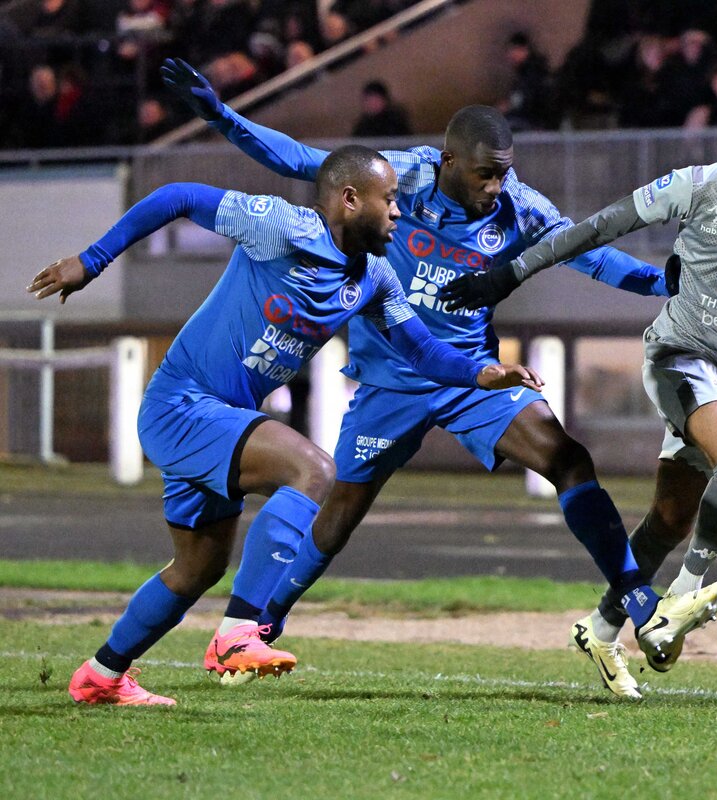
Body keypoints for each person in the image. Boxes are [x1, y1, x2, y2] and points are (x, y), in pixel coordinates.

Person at [161, 58, 717, 701]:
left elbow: (583, 251)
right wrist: (221, 116)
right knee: (338, 515)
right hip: (390, 380)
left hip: (471, 377)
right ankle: (257, 626)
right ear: (449, 161)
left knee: (568, 458)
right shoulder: (401, 176)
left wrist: (659, 281)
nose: (496, 186)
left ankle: (633, 595)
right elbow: (300, 160)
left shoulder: (519, 208)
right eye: (486, 174)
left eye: (504, 172)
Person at [28, 144, 541, 705]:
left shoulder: (375, 277)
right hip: (182, 405)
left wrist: (481, 372)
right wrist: (93, 260)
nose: (399, 211)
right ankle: (238, 633)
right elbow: (179, 196)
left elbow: (421, 350)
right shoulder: (282, 227)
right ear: (350, 199)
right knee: (315, 470)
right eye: (390, 199)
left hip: (225, 420)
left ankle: (101, 675)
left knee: (197, 568)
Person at [441, 78, 717, 682]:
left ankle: (602, 628)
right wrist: (509, 273)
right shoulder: (702, 185)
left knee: (671, 518)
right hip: (679, 356)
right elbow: (598, 228)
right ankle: (679, 597)